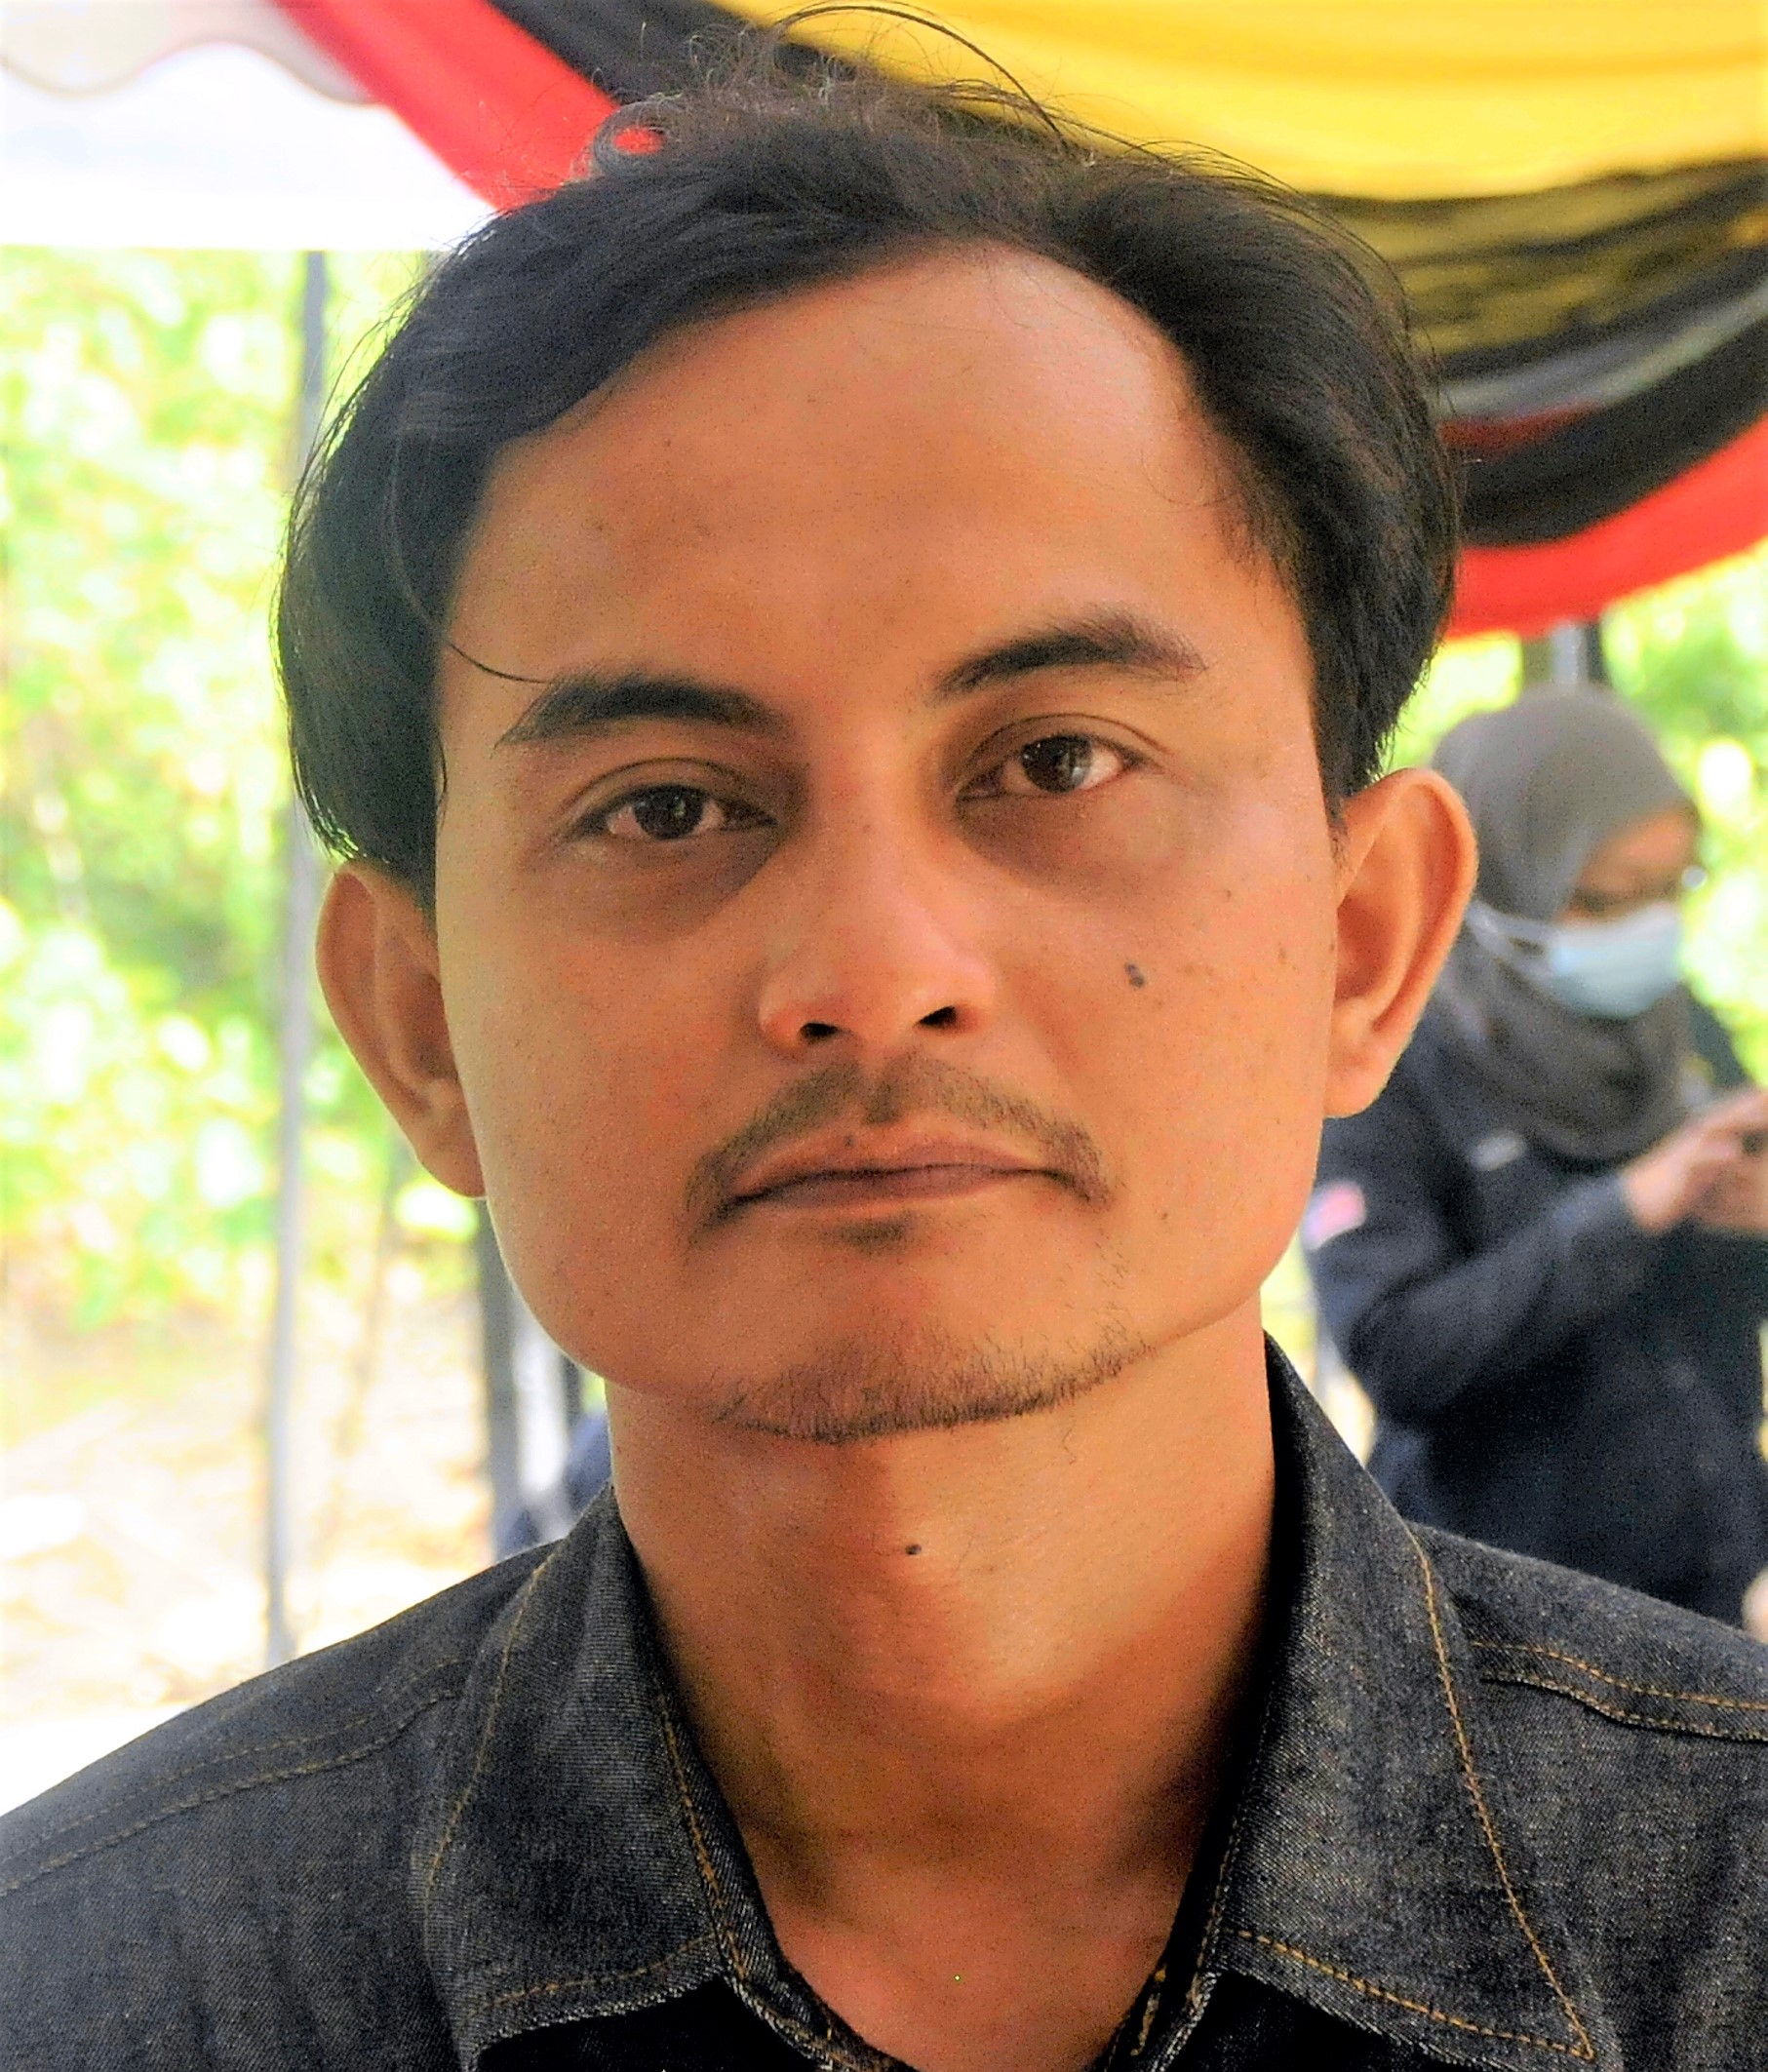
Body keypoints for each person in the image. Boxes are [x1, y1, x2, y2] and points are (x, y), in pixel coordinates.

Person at [6, 57, 1768, 2072]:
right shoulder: (86, 2000)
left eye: (1056, 761)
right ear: (418, 1024)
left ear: (1363, 945)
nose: (872, 970)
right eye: (667, 806)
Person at [1306, 689, 1768, 1626]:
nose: (1647, 926)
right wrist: (1623, 1210)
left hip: (1710, 1581)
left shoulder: (1677, 1030)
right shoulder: (1386, 1064)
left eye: (1668, 888)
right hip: (1506, 1626)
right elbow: (1397, 1351)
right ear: (1504, 879)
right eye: (1602, 898)